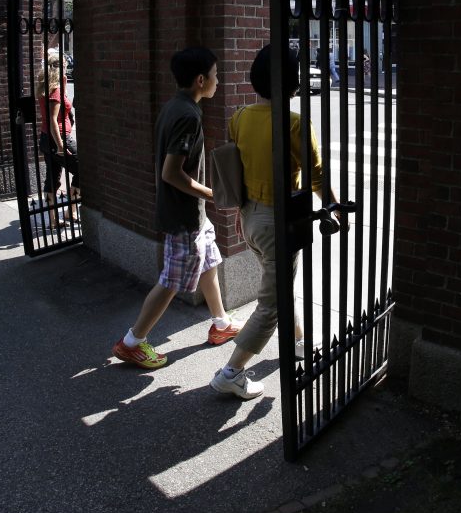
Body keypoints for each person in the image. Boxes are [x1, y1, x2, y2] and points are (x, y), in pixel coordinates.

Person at [209, 45, 344, 399]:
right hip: (278, 223)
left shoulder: (238, 116)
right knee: (270, 303)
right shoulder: (295, 122)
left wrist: (241, 213)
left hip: (251, 217)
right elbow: (316, 175)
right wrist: (336, 206)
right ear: (293, 81)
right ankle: (232, 371)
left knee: (278, 286)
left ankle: (298, 343)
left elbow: (236, 170)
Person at [111, 47, 240, 369]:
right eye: (215, 75)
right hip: (184, 214)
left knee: (208, 259)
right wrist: (212, 193)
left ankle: (221, 324)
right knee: (171, 280)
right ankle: (132, 342)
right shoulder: (187, 116)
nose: (218, 81)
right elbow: (171, 172)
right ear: (201, 80)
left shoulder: (175, 106)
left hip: (189, 211)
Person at [37, 51, 79, 228]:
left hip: (46, 140)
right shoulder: (55, 92)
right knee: (83, 169)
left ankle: (53, 220)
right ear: (58, 69)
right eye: (64, 66)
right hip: (59, 138)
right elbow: (53, 121)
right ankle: (71, 210)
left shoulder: (46, 87)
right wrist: (61, 146)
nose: (66, 68)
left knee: (51, 179)